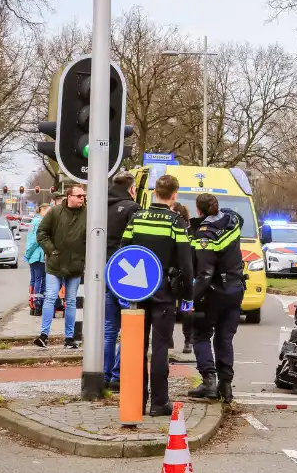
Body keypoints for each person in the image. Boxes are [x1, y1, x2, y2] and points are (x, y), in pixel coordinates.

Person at [119, 174, 194, 416]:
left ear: (154, 193)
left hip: (138, 292)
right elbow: (185, 263)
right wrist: (187, 296)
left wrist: (123, 289)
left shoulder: (137, 218)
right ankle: (159, 402)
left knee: (137, 347)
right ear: (174, 195)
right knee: (160, 347)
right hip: (164, 292)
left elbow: (124, 251)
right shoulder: (175, 222)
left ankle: (136, 399)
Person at [186, 193, 246, 402]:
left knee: (201, 335)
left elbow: (204, 273)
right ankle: (226, 386)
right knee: (224, 338)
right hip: (236, 289)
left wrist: (191, 298)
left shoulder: (205, 235)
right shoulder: (233, 221)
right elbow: (237, 216)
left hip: (213, 293)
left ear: (199, 209)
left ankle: (209, 381)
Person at [34, 184, 87, 349]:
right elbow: (41, 233)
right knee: (50, 297)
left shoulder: (88, 213)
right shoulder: (55, 212)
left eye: (83, 196)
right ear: (69, 196)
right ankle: (44, 335)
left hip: (76, 264)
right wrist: (52, 251)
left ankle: (69, 338)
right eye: (78, 196)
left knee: (70, 301)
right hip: (55, 263)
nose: (82, 198)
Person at [103, 172, 141, 392]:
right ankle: (118, 375)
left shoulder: (100, 205)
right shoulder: (132, 209)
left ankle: (105, 374)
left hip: (103, 269)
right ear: (132, 188)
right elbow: (134, 241)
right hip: (125, 272)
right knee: (129, 326)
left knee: (109, 328)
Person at [171, 201, 196, 355]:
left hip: (187, 276)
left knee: (186, 310)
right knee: (168, 308)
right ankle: (168, 337)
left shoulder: (192, 231)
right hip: (172, 274)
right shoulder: (170, 228)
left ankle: (189, 340)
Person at [25, 204, 51, 316]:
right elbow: (36, 240)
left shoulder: (34, 221)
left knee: (34, 280)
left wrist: (28, 254)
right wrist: (29, 253)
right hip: (39, 256)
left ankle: (32, 305)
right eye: (48, 211)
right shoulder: (40, 222)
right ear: (42, 210)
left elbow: (30, 239)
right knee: (40, 280)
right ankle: (38, 305)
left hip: (33, 256)